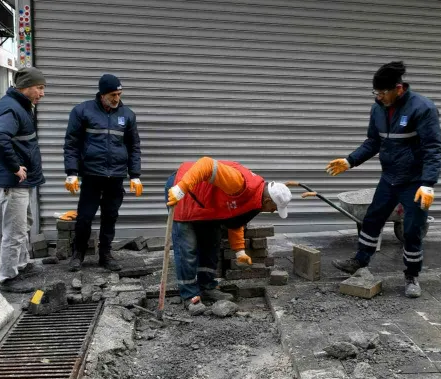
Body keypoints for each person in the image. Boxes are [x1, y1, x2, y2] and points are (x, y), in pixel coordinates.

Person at [326, 61, 441, 298]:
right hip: (389, 178)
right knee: (371, 219)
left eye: (383, 93)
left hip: (414, 181)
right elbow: (373, 142)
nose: (379, 97)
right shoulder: (378, 109)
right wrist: (350, 160)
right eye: (375, 93)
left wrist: (428, 184)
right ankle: (359, 261)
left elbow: (433, 148)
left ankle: (412, 276)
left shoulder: (423, 108)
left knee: (412, 229)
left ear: (398, 88)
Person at [165, 157, 292, 315]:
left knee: (211, 244)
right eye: (274, 208)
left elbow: (236, 217)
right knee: (187, 248)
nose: (273, 211)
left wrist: (239, 251)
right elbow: (206, 164)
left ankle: (207, 286)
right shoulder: (240, 183)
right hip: (185, 191)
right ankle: (189, 295)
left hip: (206, 204)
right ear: (267, 200)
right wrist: (181, 188)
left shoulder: (255, 197)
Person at [63, 74, 142, 272]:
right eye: (113, 94)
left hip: (115, 176)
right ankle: (78, 254)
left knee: (110, 216)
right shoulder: (82, 111)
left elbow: (134, 147)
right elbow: (71, 145)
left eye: (119, 94)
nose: (117, 98)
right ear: (102, 94)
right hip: (92, 174)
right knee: (85, 217)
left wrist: (135, 175)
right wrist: (72, 172)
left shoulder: (127, 115)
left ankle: (105, 255)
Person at [0, 67, 47, 292]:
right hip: (13, 183)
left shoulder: (21, 106)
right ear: (25, 87)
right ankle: (8, 277)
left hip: (23, 181)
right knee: (14, 230)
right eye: (39, 88)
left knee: (24, 225)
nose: (42, 93)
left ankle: (21, 265)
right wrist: (15, 167)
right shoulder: (12, 108)